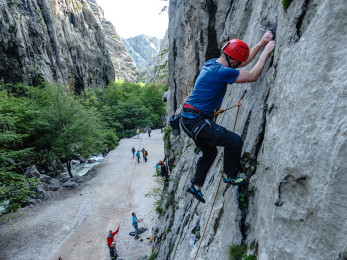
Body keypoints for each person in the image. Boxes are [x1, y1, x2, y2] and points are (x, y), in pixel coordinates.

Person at [180, 31, 276, 203]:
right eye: (236, 62)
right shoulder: (222, 72)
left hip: (189, 119)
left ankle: (195, 186)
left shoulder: (212, 64)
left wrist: (261, 43)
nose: (239, 64)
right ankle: (229, 175)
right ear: (232, 60)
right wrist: (267, 51)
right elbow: (253, 75)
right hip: (197, 121)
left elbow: (242, 62)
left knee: (209, 153)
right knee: (234, 142)